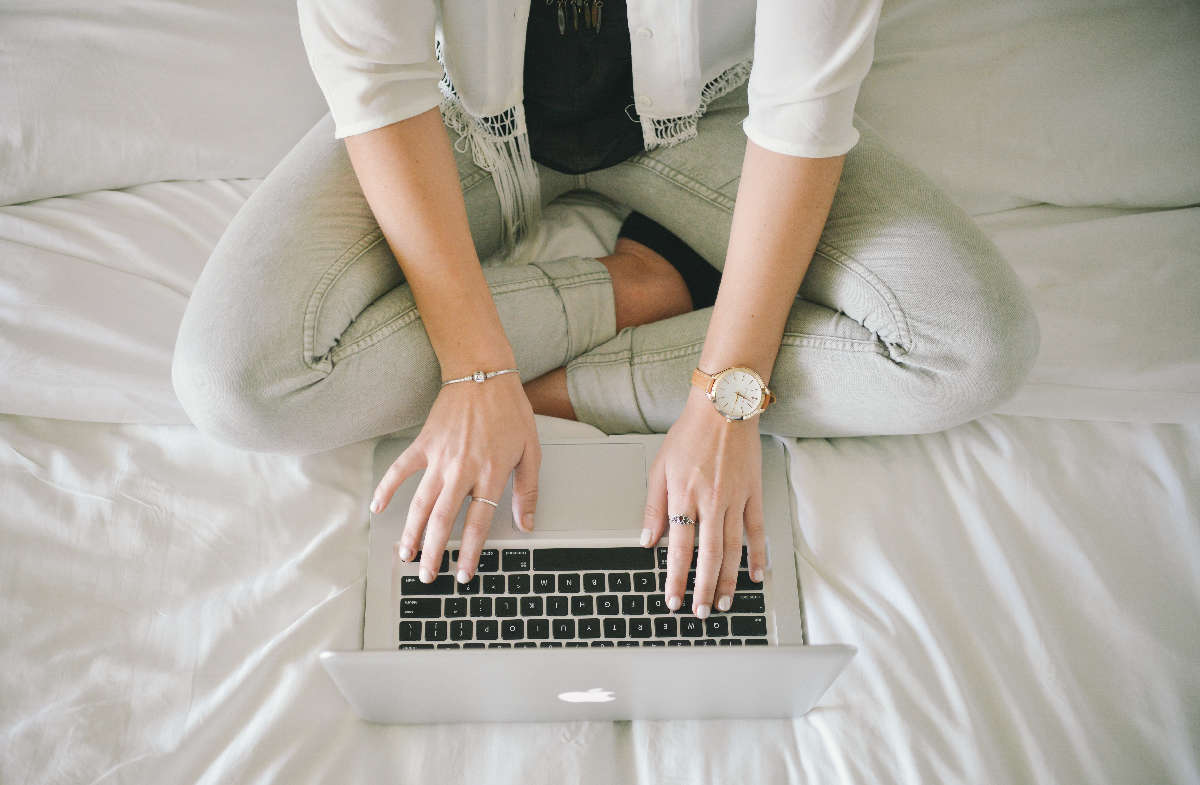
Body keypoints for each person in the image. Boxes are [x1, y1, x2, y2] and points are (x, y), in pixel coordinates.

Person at [172, 0, 1039, 623]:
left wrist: (723, 396)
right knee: (237, 383)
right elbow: (375, 74)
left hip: (722, 116)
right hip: (457, 125)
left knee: (971, 348)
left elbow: (803, 109)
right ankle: (642, 288)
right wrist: (474, 367)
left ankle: (542, 383)